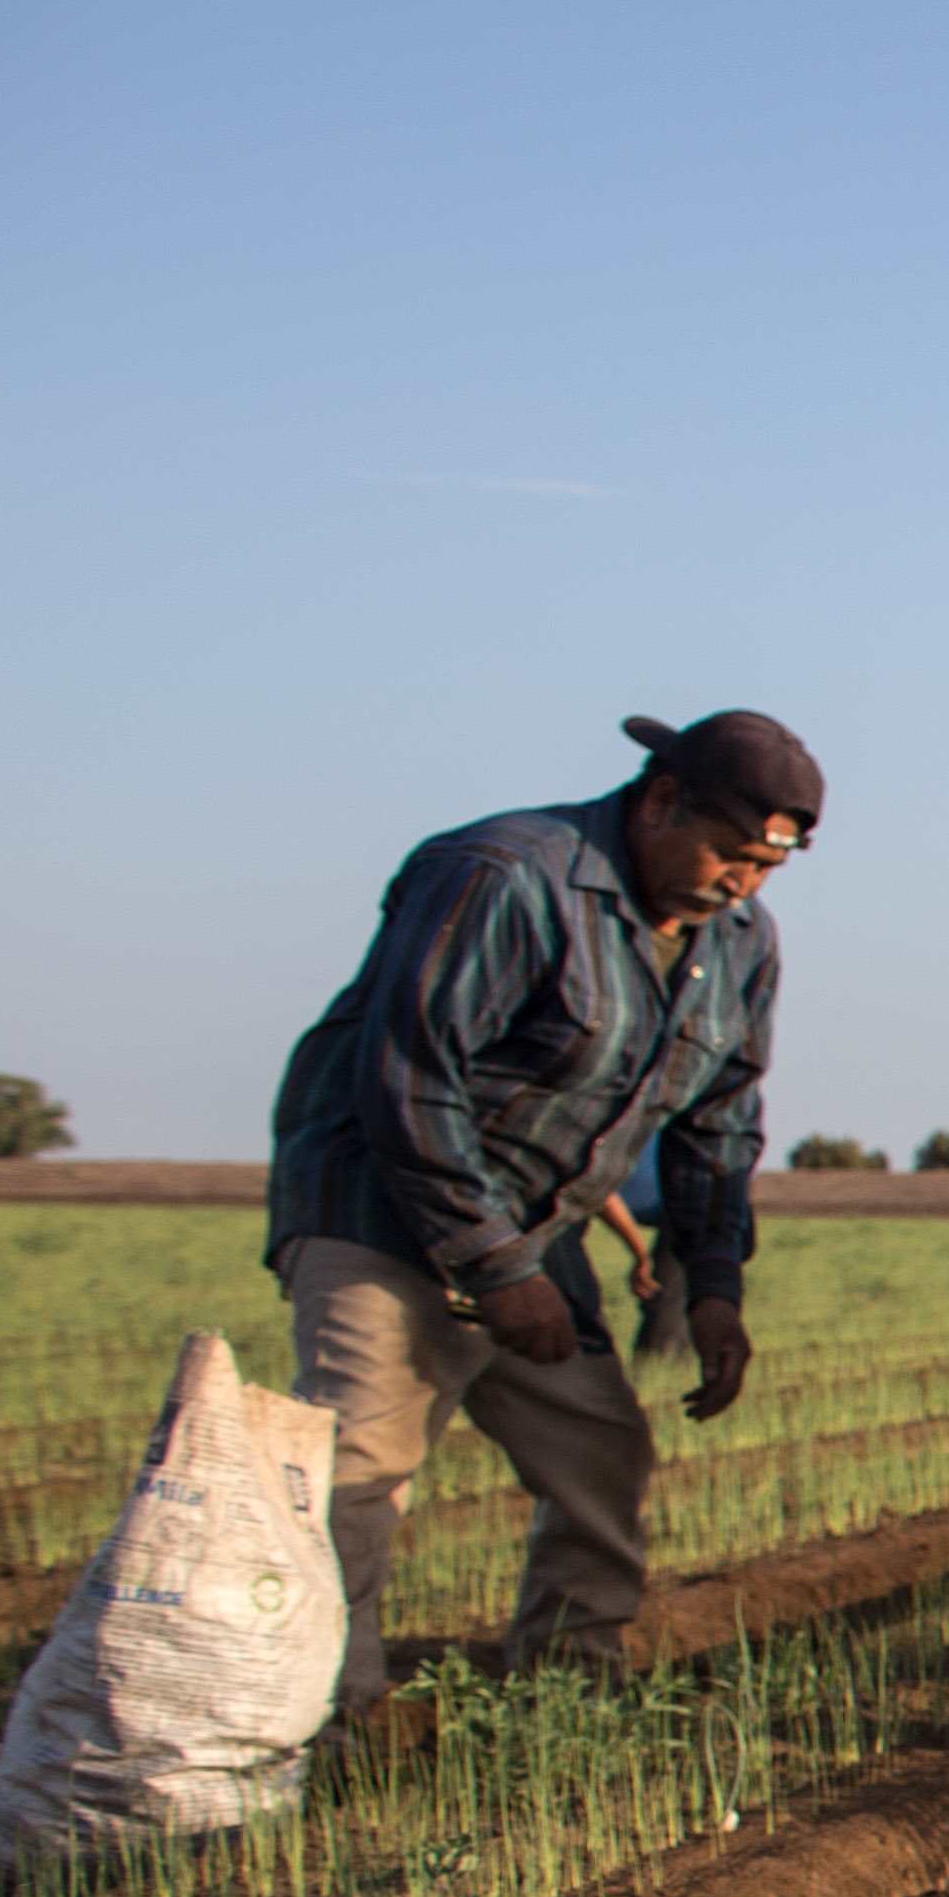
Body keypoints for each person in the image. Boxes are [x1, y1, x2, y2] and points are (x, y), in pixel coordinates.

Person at [265, 709, 807, 1713]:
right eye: (730, 853)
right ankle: (311, 1719)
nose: (743, 882)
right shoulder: (504, 874)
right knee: (359, 1467)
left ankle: (568, 1690)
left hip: (537, 1219)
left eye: (766, 868)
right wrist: (498, 1271)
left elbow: (719, 1130)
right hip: (383, 1208)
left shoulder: (738, 945)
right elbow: (409, 1085)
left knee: (600, 1448)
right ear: (658, 800)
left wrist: (715, 1290)